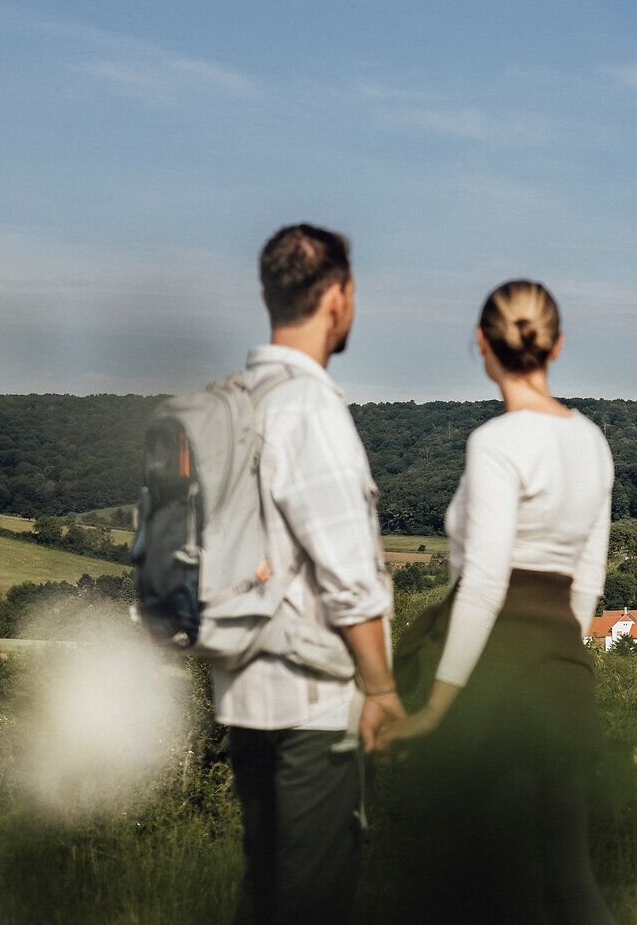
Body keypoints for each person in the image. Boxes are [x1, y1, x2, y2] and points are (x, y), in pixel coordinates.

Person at [380, 279, 616, 923]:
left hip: (494, 685)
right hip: (566, 681)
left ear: (482, 345)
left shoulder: (496, 443)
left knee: (484, 888)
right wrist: (559, 661)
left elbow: (483, 584)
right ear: (557, 346)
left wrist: (435, 709)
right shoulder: (593, 443)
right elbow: (587, 581)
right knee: (571, 881)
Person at [218, 224, 403, 925]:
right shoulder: (309, 408)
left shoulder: (234, 401)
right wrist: (380, 688)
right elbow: (347, 572)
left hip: (242, 693)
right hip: (314, 701)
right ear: (336, 296)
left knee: (263, 890)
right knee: (315, 897)